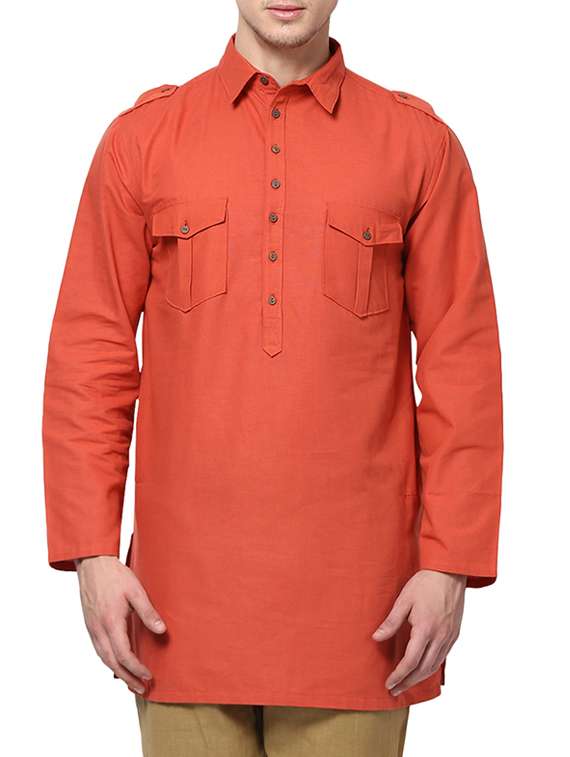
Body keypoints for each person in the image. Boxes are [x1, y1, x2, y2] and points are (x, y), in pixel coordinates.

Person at [42, 1, 504, 755]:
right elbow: (89, 360)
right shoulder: (143, 140)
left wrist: (451, 563)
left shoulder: (419, 145)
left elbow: (464, 369)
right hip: (177, 608)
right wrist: (90, 551)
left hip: (365, 615)